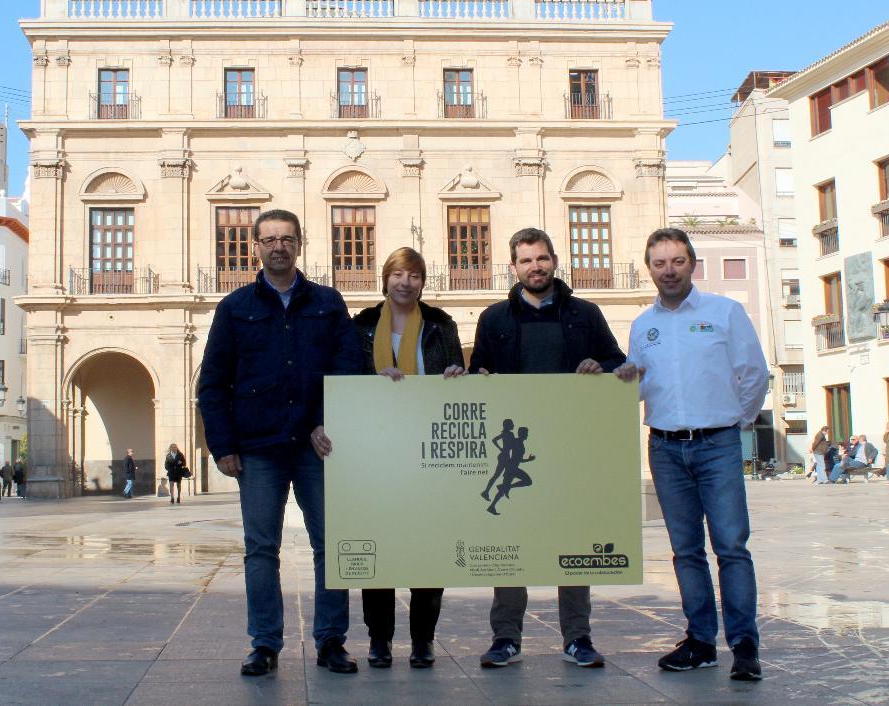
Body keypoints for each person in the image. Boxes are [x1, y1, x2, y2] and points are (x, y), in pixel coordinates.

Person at [198, 208, 363, 677]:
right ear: (255, 247)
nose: (278, 247)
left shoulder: (329, 303)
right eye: (269, 239)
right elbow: (213, 383)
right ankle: (265, 643)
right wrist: (223, 444)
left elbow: (347, 368)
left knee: (330, 544)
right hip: (258, 447)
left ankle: (331, 640)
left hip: (315, 446)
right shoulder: (234, 308)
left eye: (287, 238)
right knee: (261, 548)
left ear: (300, 243)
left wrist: (322, 420)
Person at [615, 227, 768, 682]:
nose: (668, 271)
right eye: (659, 263)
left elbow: (754, 375)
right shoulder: (643, 325)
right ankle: (700, 640)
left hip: (717, 444)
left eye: (677, 261)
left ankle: (743, 645)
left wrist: (732, 422)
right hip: (663, 446)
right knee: (685, 551)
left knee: (731, 547)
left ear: (692, 264)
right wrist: (627, 380)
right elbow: (641, 389)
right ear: (650, 270)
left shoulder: (726, 312)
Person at [469, 227, 626, 670]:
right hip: (515, 448)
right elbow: (479, 370)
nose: (534, 267)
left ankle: (578, 636)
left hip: (571, 446)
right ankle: (505, 638)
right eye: (525, 261)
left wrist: (603, 366)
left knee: (572, 540)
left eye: (541, 258)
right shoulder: (494, 318)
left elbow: (616, 361)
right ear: (513, 267)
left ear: (554, 260)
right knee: (510, 542)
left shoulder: (586, 313)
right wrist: (477, 378)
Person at [352, 247, 466, 670]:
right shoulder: (361, 326)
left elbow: (456, 374)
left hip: (430, 451)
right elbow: (346, 377)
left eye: (414, 275)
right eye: (398, 274)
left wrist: (456, 374)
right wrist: (372, 379)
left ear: (422, 282)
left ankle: (423, 639)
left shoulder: (440, 325)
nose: (405, 282)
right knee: (378, 547)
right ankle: (379, 639)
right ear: (385, 279)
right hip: (376, 453)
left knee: (429, 547)